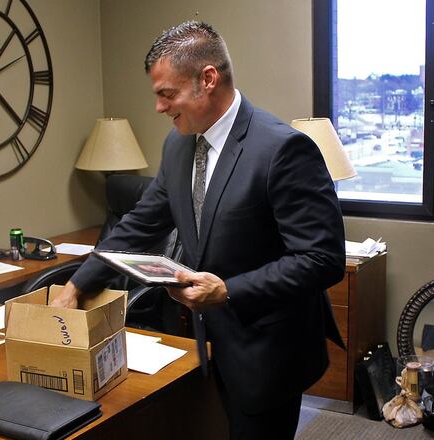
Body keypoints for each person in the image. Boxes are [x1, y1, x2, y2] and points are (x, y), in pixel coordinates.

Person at [50, 21, 346, 439]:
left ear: (207, 79)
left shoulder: (282, 149)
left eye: (167, 94)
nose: (159, 107)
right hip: (209, 341)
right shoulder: (178, 145)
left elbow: (322, 259)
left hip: (268, 349)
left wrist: (228, 291)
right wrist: (77, 285)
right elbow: (140, 224)